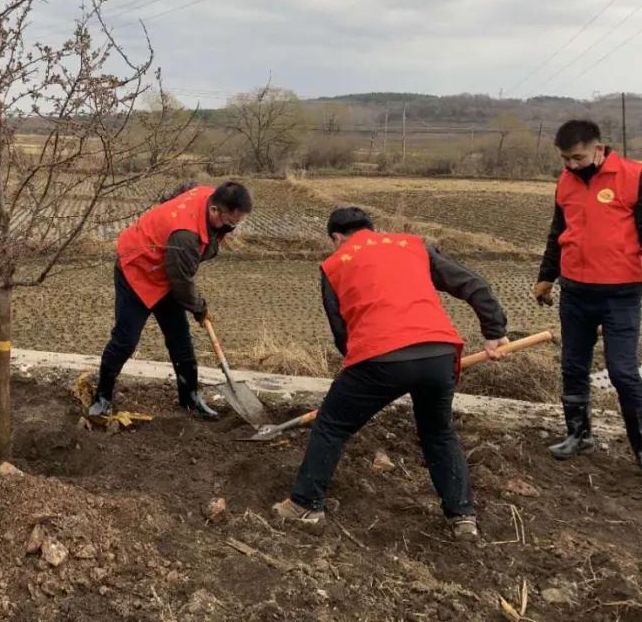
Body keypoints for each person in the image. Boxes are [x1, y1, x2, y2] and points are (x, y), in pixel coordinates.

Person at [273, 207, 509, 542]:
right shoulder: (412, 245)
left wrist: (364, 377)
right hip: (439, 353)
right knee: (438, 432)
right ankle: (462, 516)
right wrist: (494, 329)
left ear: (337, 238)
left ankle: (305, 504)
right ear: (372, 228)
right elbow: (471, 283)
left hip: (379, 355)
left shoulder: (335, 263)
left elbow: (342, 334)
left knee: (332, 424)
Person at [87, 181, 253, 420]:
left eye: (236, 222)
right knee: (125, 339)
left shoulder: (209, 196)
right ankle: (102, 397)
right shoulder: (185, 235)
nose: (231, 228)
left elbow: (180, 192)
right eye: (229, 222)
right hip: (137, 268)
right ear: (214, 210)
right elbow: (181, 282)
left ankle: (190, 398)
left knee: (180, 338)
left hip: (164, 270)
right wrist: (199, 308)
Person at [535, 119, 642, 467]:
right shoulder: (565, 183)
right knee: (573, 366)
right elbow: (558, 232)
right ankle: (579, 435)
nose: (571, 165)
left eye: (577, 158)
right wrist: (546, 277)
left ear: (599, 148)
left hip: (621, 294)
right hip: (576, 292)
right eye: (565, 159)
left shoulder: (633, 176)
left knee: (623, 372)